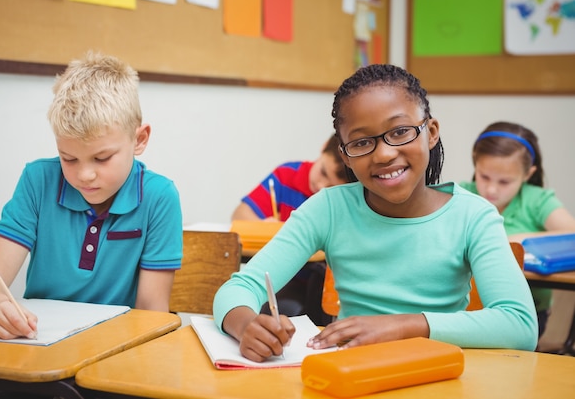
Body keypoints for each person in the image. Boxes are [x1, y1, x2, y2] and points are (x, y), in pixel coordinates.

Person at [213, 64, 538, 363]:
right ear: (346, 157)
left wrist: (404, 326)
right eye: (361, 142)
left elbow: (520, 324)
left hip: (437, 373)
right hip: (352, 373)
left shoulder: (472, 216)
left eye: (400, 132)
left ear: (431, 132)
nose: (383, 154)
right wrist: (246, 325)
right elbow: (237, 288)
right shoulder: (329, 209)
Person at [0, 51, 183, 344]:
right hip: (37, 347)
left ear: (139, 140)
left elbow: (151, 311)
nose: (84, 175)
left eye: (102, 158)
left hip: (116, 351)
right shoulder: (38, 181)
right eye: (68, 158)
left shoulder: (159, 197)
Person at [460, 121, 575, 339]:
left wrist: (514, 240)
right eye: (484, 177)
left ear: (527, 174)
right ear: (475, 162)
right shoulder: (462, 194)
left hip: (527, 313)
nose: (491, 189)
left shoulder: (537, 200)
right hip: (465, 309)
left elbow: (572, 235)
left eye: (504, 181)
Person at [232, 134, 349, 325]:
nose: (321, 187)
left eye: (332, 186)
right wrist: (263, 226)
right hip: (283, 279)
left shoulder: (339, 199)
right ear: (322, 148)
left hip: (317, 285)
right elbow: (240, 214)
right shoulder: (287, 176)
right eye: (323, 173)